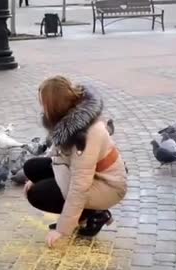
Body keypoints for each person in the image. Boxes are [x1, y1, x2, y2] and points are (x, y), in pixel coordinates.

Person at [23, 75, 127, 248]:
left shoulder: (86, 136)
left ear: (54, 105)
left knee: (38, 194)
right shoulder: (72, 119)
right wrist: (33, 178)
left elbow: (80, 187)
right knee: (31, 168)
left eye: (44, 104)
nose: (42, 108)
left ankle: (92, 214)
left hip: (108, 186)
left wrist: (62, 231)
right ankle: (82, 213)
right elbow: (58, 150)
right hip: (86, 173)